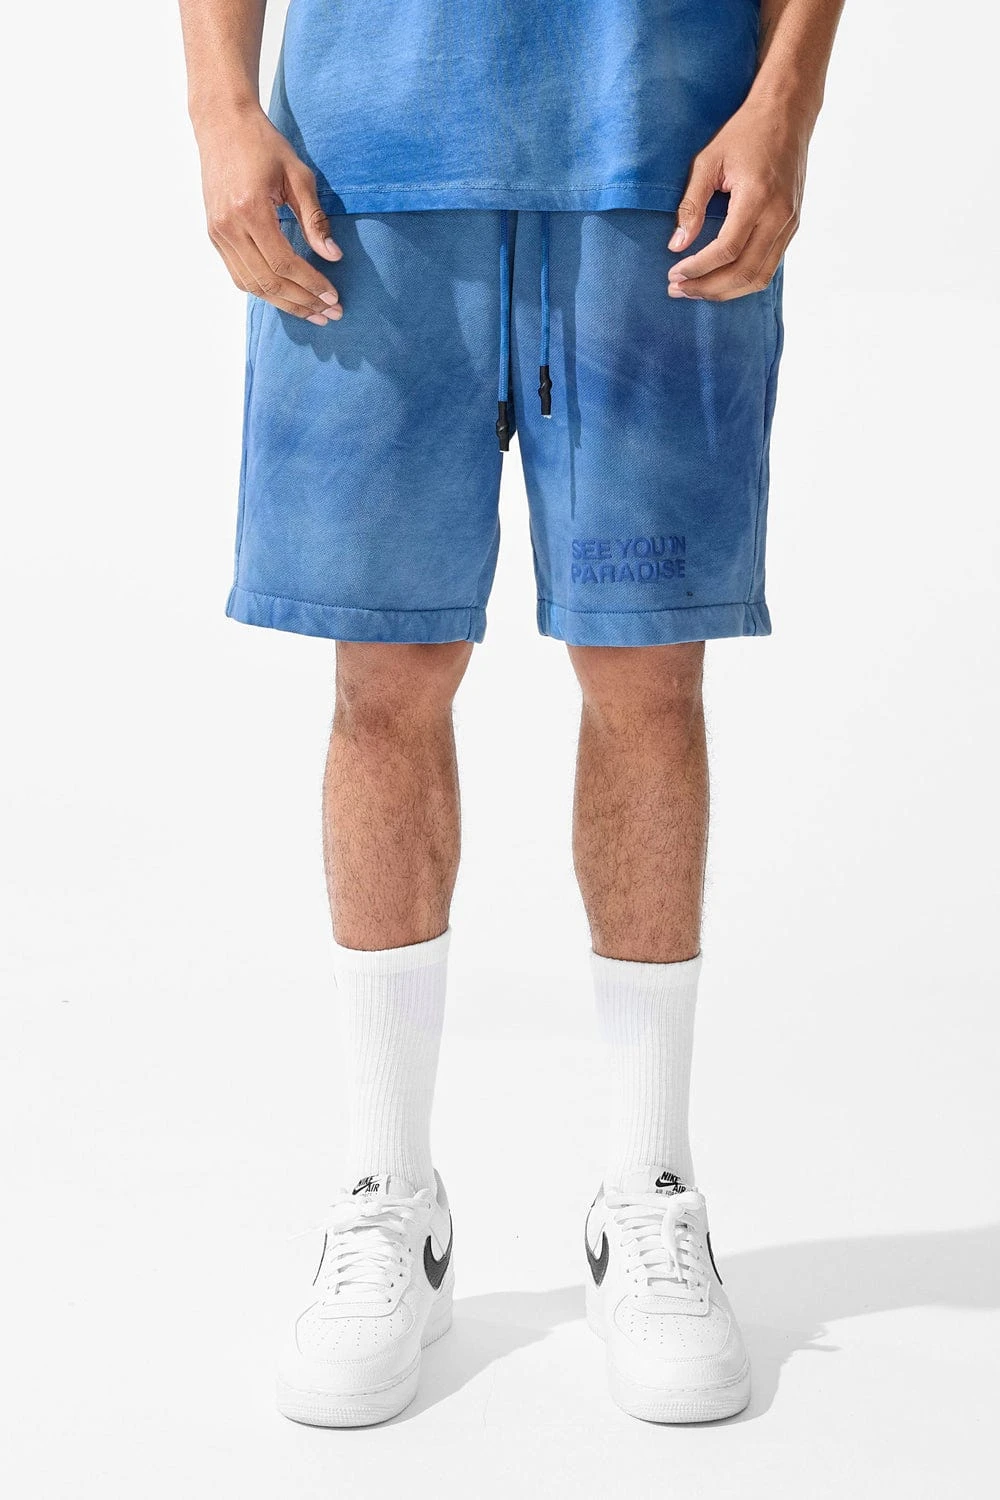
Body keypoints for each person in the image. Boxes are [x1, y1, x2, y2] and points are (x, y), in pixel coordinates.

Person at [179, 0, 844, 1427]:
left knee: (646, 673)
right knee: (385, 676)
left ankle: (647, 1190)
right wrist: (219, 109)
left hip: (663, 158)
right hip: (361, 172)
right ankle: (389, 1196)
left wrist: (787, 99)